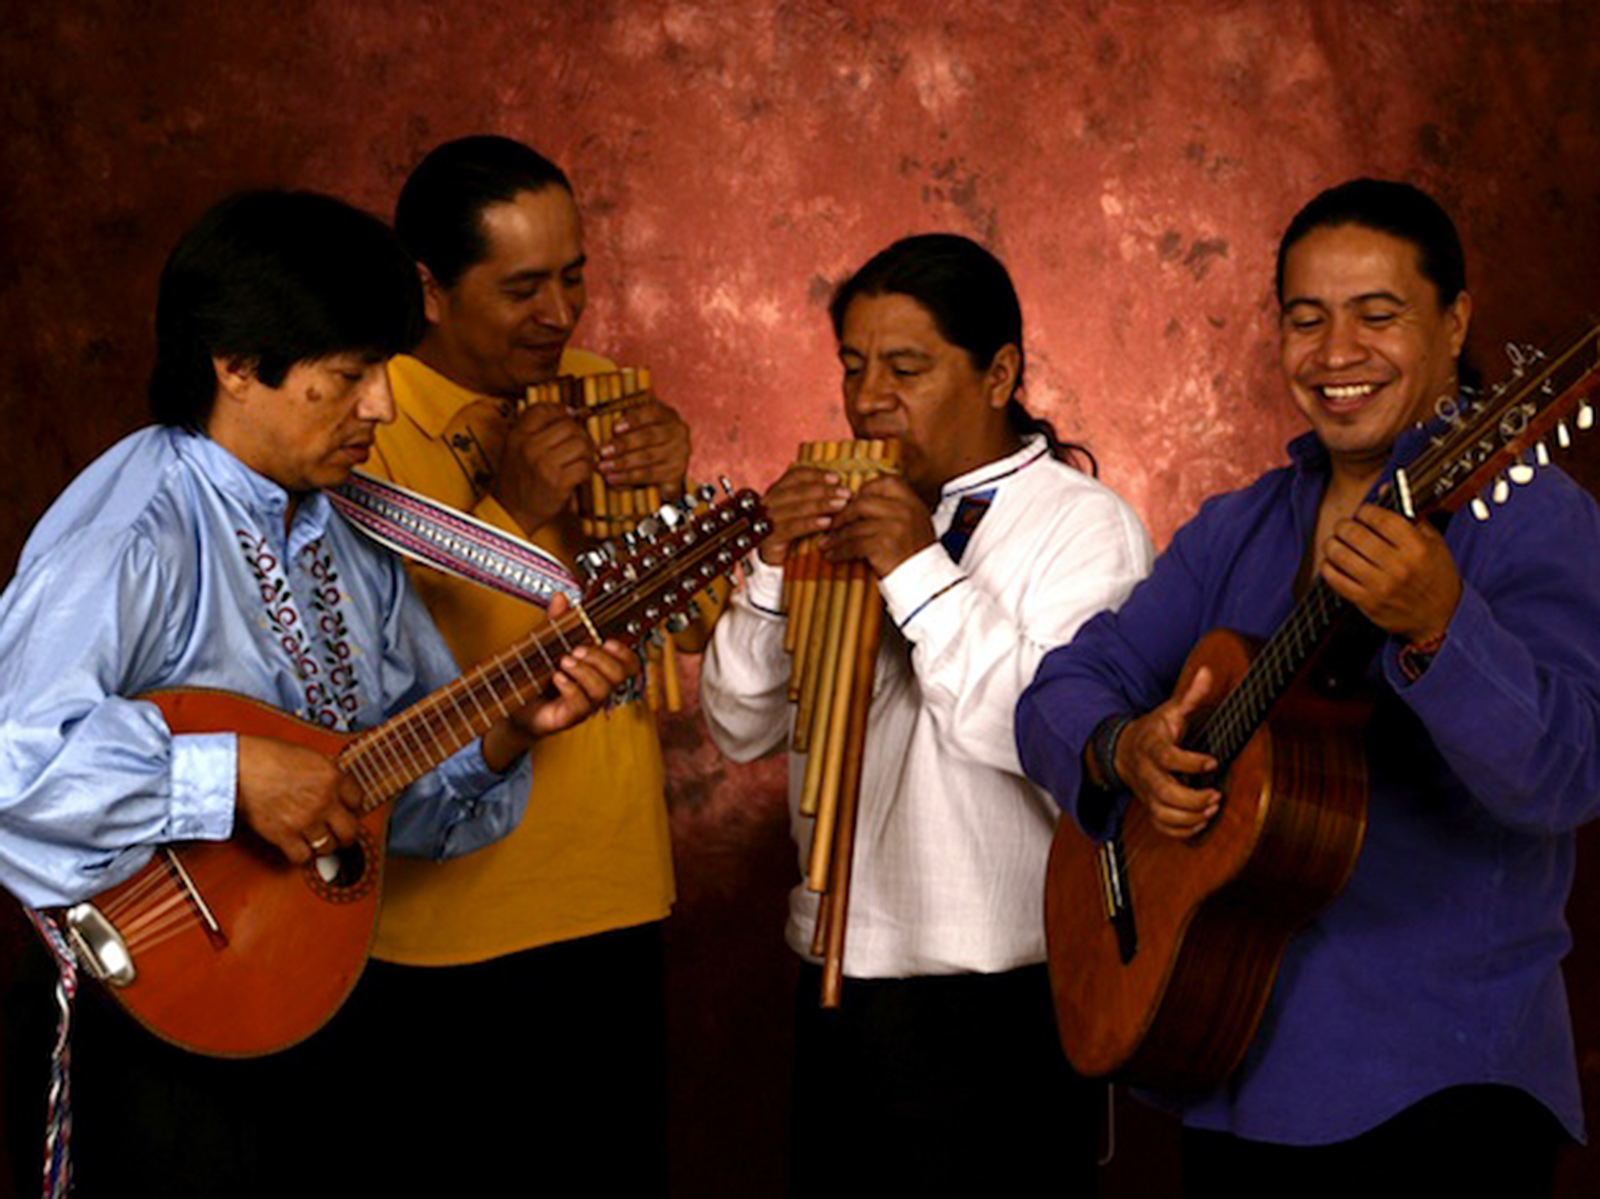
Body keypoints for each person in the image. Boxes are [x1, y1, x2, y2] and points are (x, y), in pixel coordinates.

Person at [0, 189, 636, 1199]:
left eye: (382, 371)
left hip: (311, 1001)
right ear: (238, 365)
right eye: (346, 377)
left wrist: (507, 732)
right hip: (157, 1018)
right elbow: (15, 763)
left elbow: (384, 811)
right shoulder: (133, 532)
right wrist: (233, 773)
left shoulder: (349, 533)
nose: (380, 406)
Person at [1017, 179, 1600, 1197]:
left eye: (1377, 314)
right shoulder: (1238, 525)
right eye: (1305, 317)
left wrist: (1437, 625)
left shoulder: (1529, 517)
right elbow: (1064, 685)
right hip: (1223, 1056)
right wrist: (1123, 750)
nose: (1336, 352)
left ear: (1455, 320)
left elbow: (1565, 776)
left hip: (1445, 1081)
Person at [700, 232, 1153, 1196]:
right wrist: (776, 570)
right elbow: (740, 726)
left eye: (906, 368)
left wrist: (917, 571)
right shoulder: (844, 508)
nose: (869, 399)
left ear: (999, 373)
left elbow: (1047, 739)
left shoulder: (1084, 526)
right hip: (837, 982)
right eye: (854, 367)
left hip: (999, 997)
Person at [349, 135, 701, 1193]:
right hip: (443, 923)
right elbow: (370, 687)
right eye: (523, 287)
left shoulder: (602, 393)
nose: (562, 314)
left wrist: (675, 510)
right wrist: (512, 512)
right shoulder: (363, 423)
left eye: (575, 275)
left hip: (615, 891)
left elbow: (686, 631)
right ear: (432, 289)